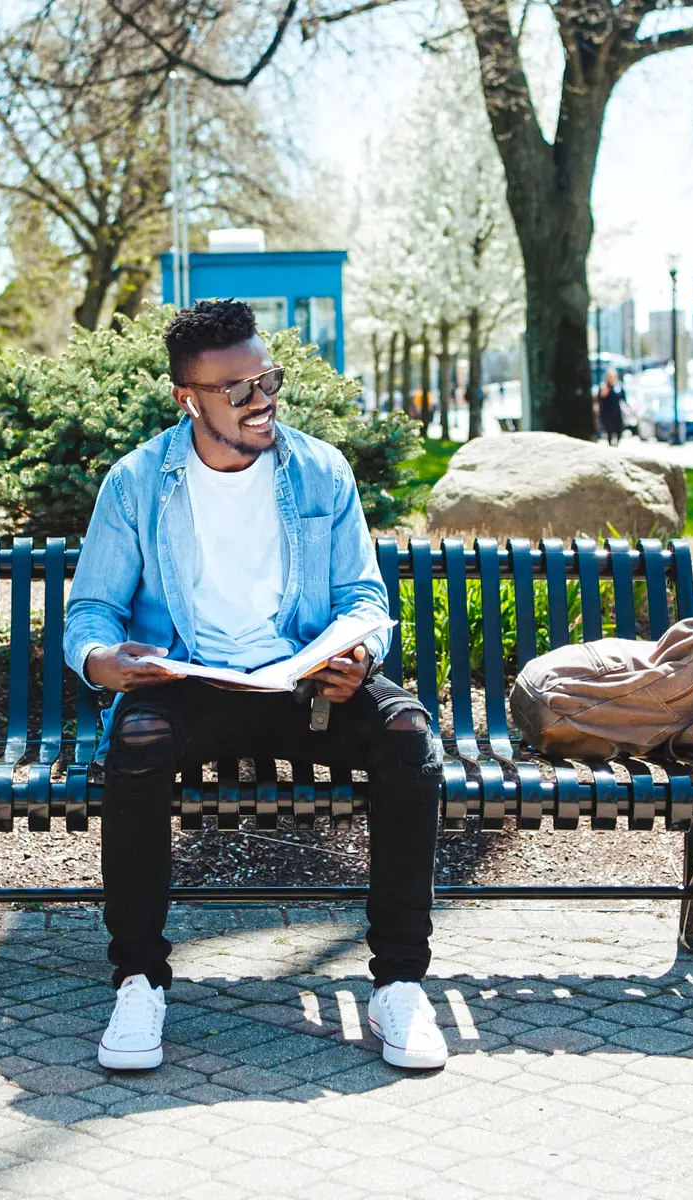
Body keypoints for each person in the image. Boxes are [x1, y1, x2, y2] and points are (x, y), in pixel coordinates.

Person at [64, 298, 447, 1073]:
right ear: (187, 399)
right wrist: (104, 663)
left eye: (267, 378)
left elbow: (363, 599)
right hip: (195, 685)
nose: (262, 398)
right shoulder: (138, 482)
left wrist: (359, 654)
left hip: (307, 689)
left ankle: (400, 982)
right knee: (134, 740)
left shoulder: (319, 469)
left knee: (409, 737)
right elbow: (92, 610)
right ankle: (138, 979)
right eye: (236, 389)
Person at [598, 367, 625, 446]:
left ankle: (616, 445)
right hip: (607, 413)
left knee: (619, 430)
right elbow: (601, 397)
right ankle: (610, 445)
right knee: (609, 431)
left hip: (617, 412)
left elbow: (623, 399)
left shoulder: (618, 387)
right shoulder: (604, 386)